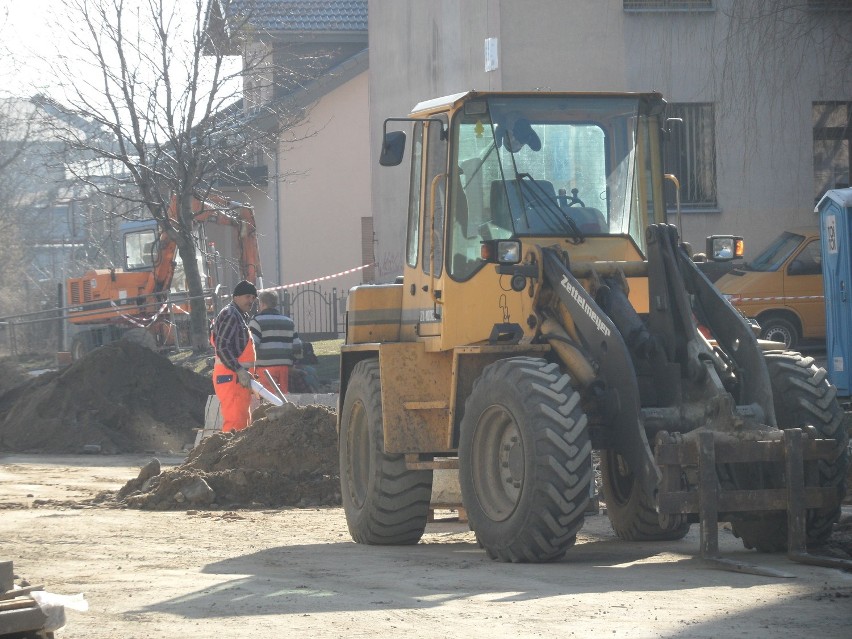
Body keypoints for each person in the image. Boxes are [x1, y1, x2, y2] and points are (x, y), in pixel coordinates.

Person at [210, 280, 257, 432]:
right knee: (235, 425)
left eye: (253, 298)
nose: (250, 301)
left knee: (242, 423)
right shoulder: (231, 315)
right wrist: (239, 370)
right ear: (236, 297)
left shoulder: (238, 315)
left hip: (237, 380)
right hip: (231, 378)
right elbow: (222, 347)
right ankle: (229, 455)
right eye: (247, 296)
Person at [249, 290, 302, 395]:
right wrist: (294, 363)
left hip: (265, 367)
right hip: (284, 367)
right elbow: (297, 346)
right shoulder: (288, 322)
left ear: (262, 303)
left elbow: (252, 346)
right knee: (283, 397)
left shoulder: (256, 321)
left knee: (268, 398)